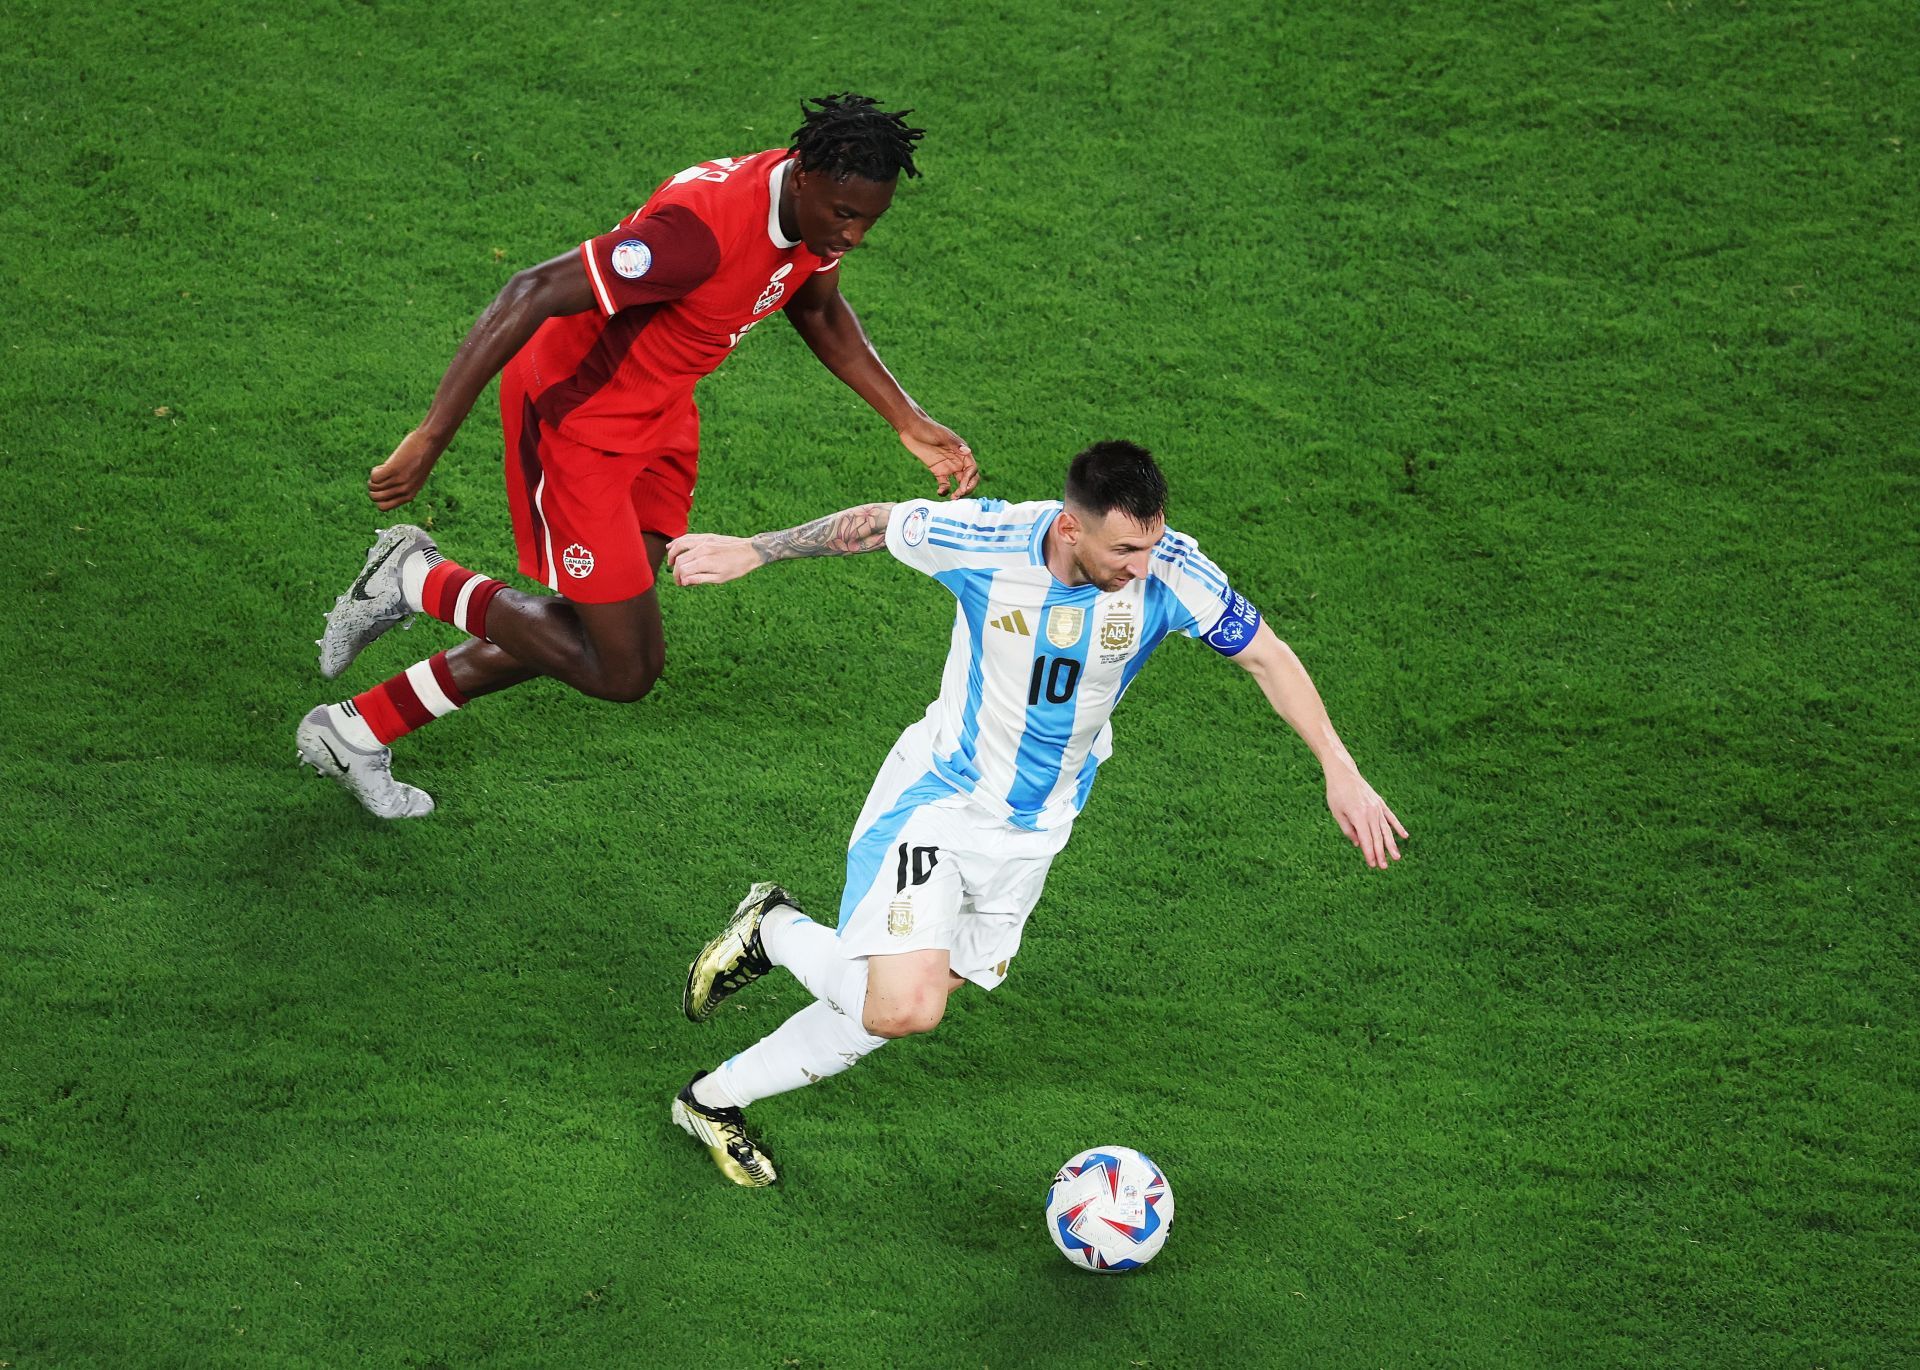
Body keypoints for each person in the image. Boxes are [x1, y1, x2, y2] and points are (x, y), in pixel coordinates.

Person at [661, 440, 1407, 1186]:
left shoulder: (1171, 571)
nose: (1140, 567)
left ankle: (711, 1100)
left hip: (1036, 830)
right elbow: (876, 524)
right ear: (1070, 529)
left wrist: (1340, 771)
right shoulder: (988, 541)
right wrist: (756, 551)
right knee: (903, 1010)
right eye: (1125, 549)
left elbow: (1267, 656)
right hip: (941, 801)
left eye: (1150, 544)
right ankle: (776, 928)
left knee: (899, 1004)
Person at [295, 93, 977, 817]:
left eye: (869, 218)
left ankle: (356, 729)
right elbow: (529, 290)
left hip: (661, 416)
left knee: (585, 626)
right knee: (623, 668)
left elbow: (816, 305)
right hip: (576, 424)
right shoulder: (699, 232)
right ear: (805, 175)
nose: (855, 234)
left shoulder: (813, 212)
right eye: (845, 214)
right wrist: (431, 435)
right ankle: (412, 577)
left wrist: (907, 419)